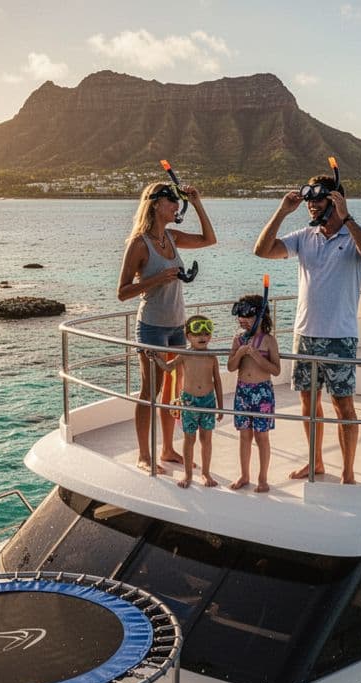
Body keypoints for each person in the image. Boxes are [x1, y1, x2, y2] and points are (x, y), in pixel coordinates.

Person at [252, 175, 361, 484]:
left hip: (339, 336)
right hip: (305, 335)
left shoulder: (358, 235)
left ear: (335, 200)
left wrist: (347, 217)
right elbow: (262, 250)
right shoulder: (304, 237)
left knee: (343, 405)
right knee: (309, 405)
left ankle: (348, 473)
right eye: (309, 200)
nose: (311, 206)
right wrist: (283, 211)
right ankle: (316, 463)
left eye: (318, 200)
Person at [117, 181, 216, 473]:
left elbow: (209, 239)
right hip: (152, 327)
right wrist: (157, 279)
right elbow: (122, 292)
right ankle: (144, 455)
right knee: (151, 391)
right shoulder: (139, 243)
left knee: (174, 391)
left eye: (178, 202)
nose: (177, 206)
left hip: (176, 327)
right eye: (172, 201)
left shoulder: (171, 237)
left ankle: (168, 449)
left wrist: (197, 202)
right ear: (156, 204)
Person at [158, 315, 224, 488]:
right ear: (188, 336)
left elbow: (217, 381)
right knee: (189, 439)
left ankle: (205, 473)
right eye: (197, 334)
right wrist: (155, 357)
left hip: (208, 401)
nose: (202, 337)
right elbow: (168, 367)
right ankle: (187, 474)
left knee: (206, 439)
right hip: (189, 401)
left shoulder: (212, 357)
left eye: (206, 333)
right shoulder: (184, 355)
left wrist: (221, 406)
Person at [227, 294, 280, 492]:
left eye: (246, 316)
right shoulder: (238, 339)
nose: (242, 320)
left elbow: (276, 370)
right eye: (239, 317)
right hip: (243, 392)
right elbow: (231, 367)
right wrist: (240, 353)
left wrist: (257, 356)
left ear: (259, 316)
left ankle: (263, 478)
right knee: (244, 436)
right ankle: (244, 475)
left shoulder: (269, 341)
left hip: (262, 393)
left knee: (262, 437)